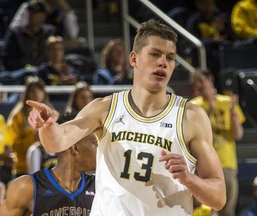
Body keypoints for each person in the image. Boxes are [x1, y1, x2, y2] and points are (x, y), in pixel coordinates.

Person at [27, 19, 226, 215]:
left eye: (170, 57)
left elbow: (218, 198)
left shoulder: (191, 117)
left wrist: (190, 179)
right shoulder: (105, 108)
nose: (163, 63)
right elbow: (56, 143)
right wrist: (47, 126)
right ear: (134, 59)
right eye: (155, 54)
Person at [0, 112, 97, 216]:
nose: (100, 151)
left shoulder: (99, 186)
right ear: (74, 147)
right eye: (95, 143)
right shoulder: (27, 187)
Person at [190, 69, 246, 216]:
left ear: (210, 78)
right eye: (195, 83)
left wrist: (233, 113)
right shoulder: (192, 106)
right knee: (205, 211)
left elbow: (238, 134)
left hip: (227, 164)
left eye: (200, 80)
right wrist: (211, 108)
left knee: (227, 211)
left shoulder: (227, 102)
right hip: (202, 165)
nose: (198, 85)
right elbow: (195, 132)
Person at [7, 76, 54, 177]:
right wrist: (33, 138)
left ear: (44, 93)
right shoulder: (17, 115)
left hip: (50, 169)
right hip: (23, 168)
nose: (36, 94)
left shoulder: (53, 114)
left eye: (39, 90)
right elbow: (13, 145)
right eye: (33, 91)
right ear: (26, 93)